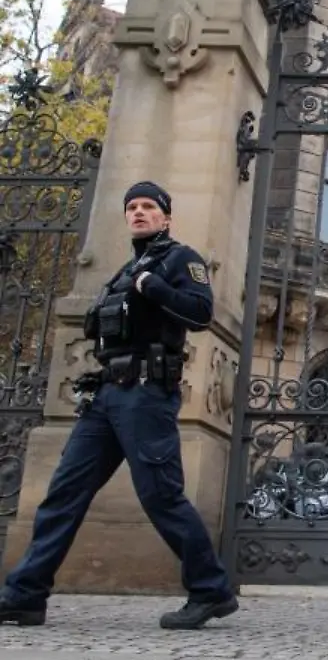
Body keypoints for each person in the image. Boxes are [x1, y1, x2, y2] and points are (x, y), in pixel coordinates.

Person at [0, 181, 237, 630]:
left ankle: (211, 589)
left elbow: (201, 314)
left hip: (146, 394)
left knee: (160, 496)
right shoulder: (125, 269)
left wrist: (156, 289)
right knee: (64, 493)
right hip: (107, 396)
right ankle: (25, 595)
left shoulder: (180, 260)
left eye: (149, 206)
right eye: (132, 207)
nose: (139, 213)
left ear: (166, 216)